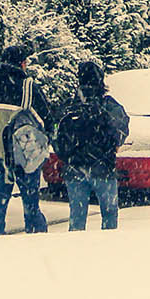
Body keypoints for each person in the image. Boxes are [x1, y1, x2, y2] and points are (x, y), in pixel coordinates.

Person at [0, 44, 51, 236]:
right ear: (22, 63)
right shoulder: (27, 87)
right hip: (23, 155)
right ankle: (37, 242)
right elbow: (46, 117)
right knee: (31, 206)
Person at [54, 60, 130, 232]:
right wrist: (112, 148)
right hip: (103, 168)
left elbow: (56, 134)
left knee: (77, 215)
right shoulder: (108, 105)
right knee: (109, 213)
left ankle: (76, 248)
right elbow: (121, 129)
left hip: (75, 169)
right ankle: (106, 247)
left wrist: (67, 156)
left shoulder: (70, 106)